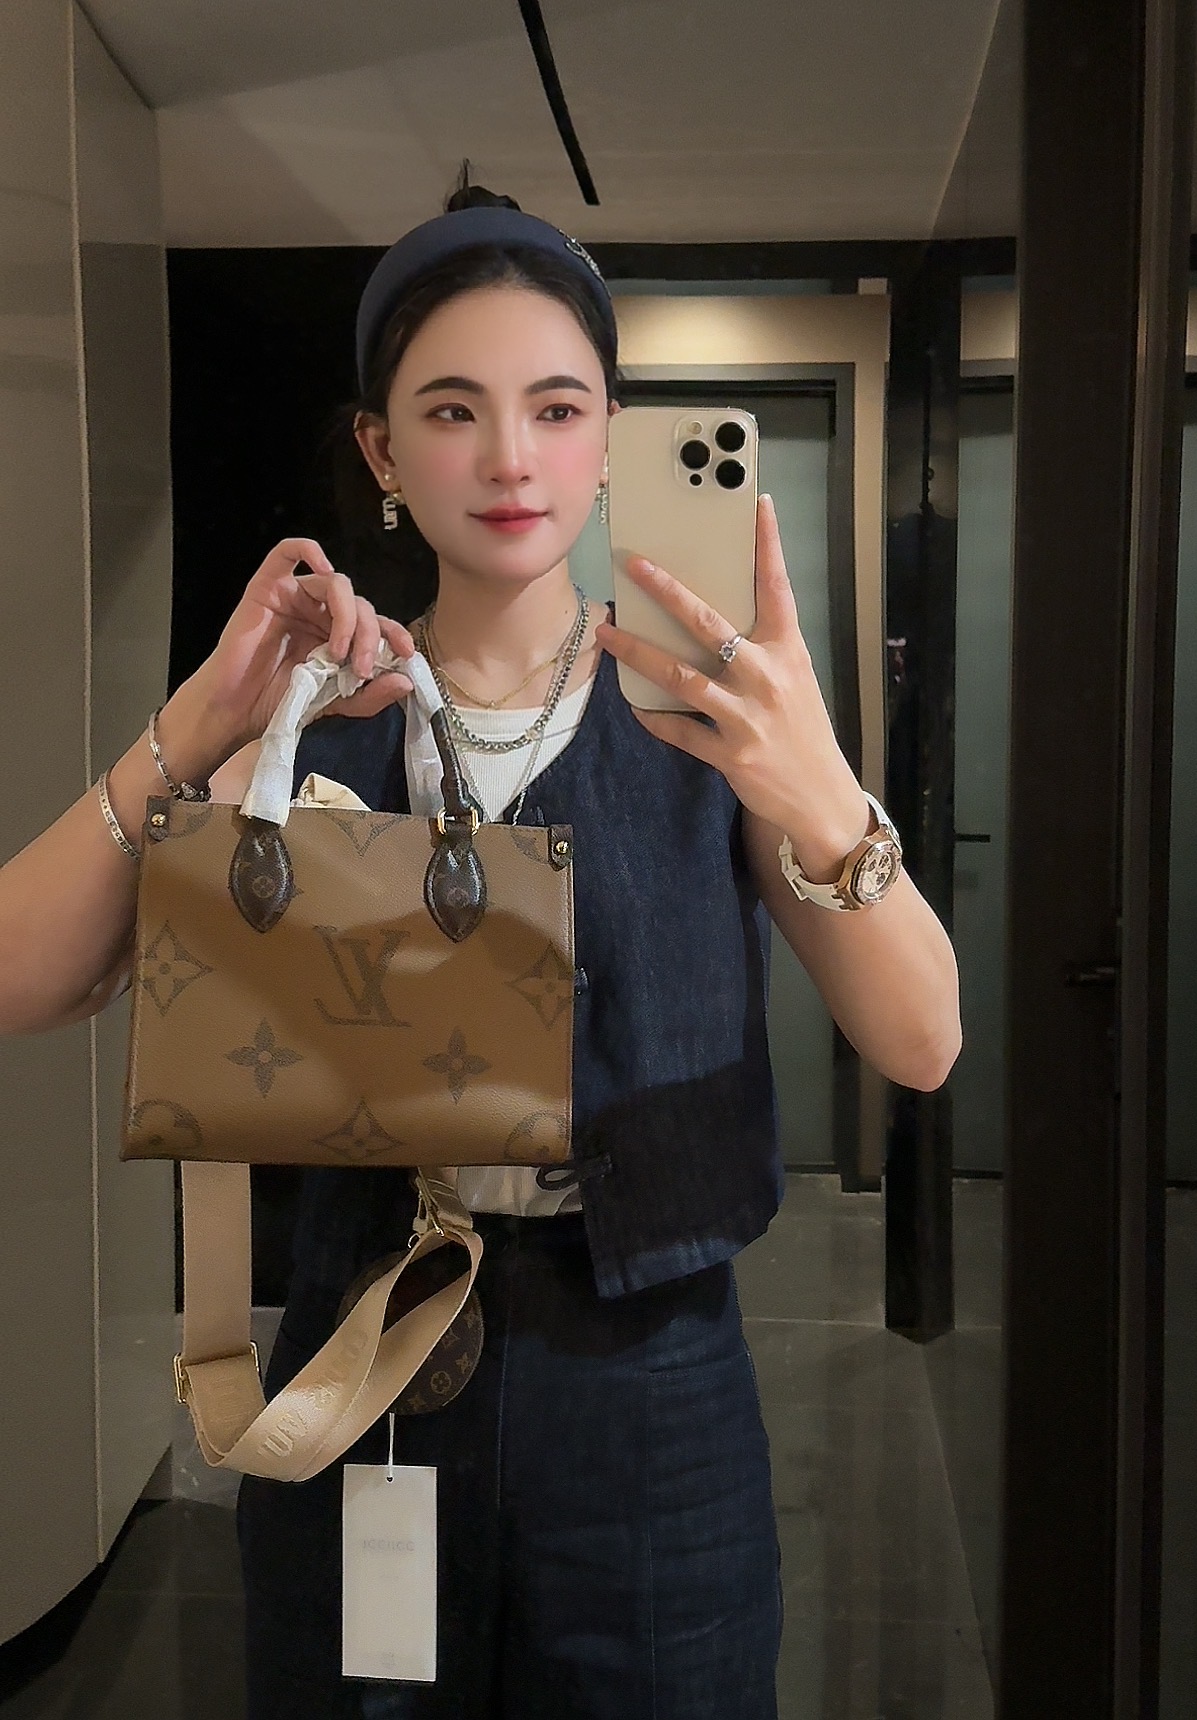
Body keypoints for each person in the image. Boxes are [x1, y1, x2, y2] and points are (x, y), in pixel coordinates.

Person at [0, 170, 961, 1718]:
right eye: (451, 411)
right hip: (363, 1362)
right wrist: (201, 721)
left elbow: (921, 1044)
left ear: (609, 439)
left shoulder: (710, 723)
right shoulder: (320, 718)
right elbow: (23, 979)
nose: (510, 457)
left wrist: (822, 796)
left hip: (652, 1381)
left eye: (557, 408)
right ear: (382, 451)